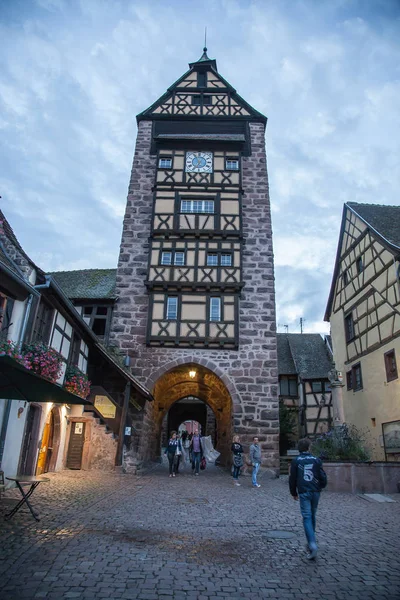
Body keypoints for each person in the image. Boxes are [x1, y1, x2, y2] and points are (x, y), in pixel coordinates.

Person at [289, 438, 327, 560]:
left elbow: (292, 478)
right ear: (309, 448)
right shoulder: (316, 460)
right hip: (315, 491)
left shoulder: (296, 461)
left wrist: (293, 492)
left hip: (304, 491)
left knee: (306, 517)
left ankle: (312, 543)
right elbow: (323, 476)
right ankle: (312, 541)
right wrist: (320, 486)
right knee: (312, 515)